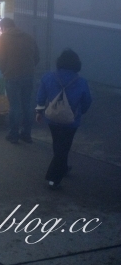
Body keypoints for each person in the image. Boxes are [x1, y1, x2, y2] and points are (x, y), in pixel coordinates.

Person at [35, 49, 92, 190]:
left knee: (58, 144)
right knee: (64, 147)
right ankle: (53, 179)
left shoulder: (48, 77)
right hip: (71, 121)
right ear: (76, 64)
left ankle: (64, 167)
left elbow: (41, 96)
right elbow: (87, 101)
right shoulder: (81, 82)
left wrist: (39, 111)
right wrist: (81, 111)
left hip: (53, 118)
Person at [0, 17, 40, 144]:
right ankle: (27, 134)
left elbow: (1, 59)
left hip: (12, 76)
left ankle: (13, 134)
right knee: (27, 105)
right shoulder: (28, 37)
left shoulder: (3, 38)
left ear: (3, 27)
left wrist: (4, 72)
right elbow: (37, 57)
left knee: (14, 106)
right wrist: (29, 67)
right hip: (29, 75)